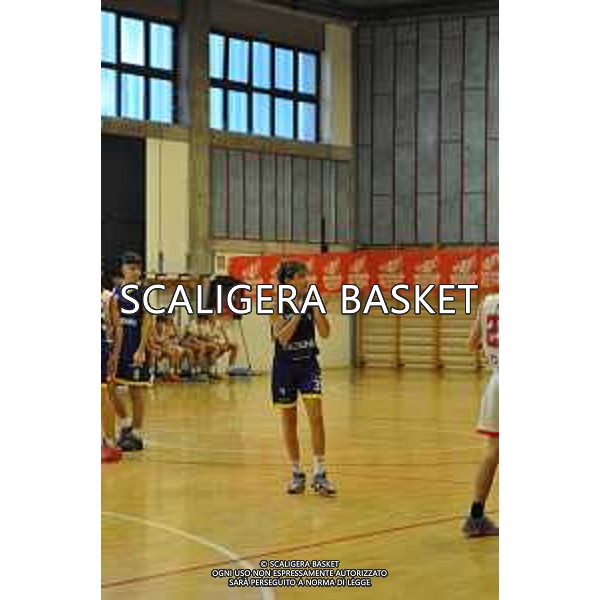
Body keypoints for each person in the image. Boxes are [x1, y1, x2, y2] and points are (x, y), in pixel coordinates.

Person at [270, 261, 336, 496]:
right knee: (289, 422)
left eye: (306, 276)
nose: (306, 280)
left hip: (308, 365)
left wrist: (316, 308)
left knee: (316, 418)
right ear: (288, 281)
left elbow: (325, 333)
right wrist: (299, 312)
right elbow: (282, 338)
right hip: (285, 368)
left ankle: (320, 472)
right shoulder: (277, 304)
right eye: (300, 276)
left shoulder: (311, 299)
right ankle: (297, 473)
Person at [462, 293, 500, 537]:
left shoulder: (487, 302)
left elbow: (471, 344)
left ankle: (476, 517)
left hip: (498, 382)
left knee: (493, 452)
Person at [108, 252, 153, 452]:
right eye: (131, 268)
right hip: (118, 348)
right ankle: (126, 423)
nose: (135, 272)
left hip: (135, 347)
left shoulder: (143, 293)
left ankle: (137, 433)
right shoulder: (116, 292)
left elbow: (148, 321)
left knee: (136, 390)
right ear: (123, 269)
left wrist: (141, 349)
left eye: (138, 269)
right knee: (109, 388)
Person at [101, 269, 122, 463]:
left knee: (102, 394)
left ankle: (110, 441)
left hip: (100, 347)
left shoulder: (108, 297)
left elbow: (117, 328)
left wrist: (115, 354)